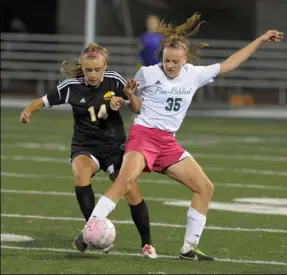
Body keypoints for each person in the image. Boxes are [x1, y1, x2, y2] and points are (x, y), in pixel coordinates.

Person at [74, 14, 284, 260]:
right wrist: (128, 97)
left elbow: (230, 64)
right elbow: (137, 107)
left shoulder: (194, 74)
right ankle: (86, 233)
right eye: (166, 61)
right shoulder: (149, 73)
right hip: (143, 136)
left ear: (185, 60)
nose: (170, 66)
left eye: (175, 61)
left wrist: (259, 39)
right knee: (124, 182)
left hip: (167, 142)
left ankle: (188, 249)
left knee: (204, 188)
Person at [19, 42, 157, 258]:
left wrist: (126, 99)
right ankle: (91, 232)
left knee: (131, 192)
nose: (93, 75)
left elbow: (137, 108)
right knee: (80, 173)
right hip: (85, 145)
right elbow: (42, 101)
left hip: (115, 146)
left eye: (97, 70)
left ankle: (147, 243)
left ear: (105, 67)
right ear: (81, 68)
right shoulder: (71, 86)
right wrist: (28, 110)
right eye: (88, 70)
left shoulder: (115, 80)